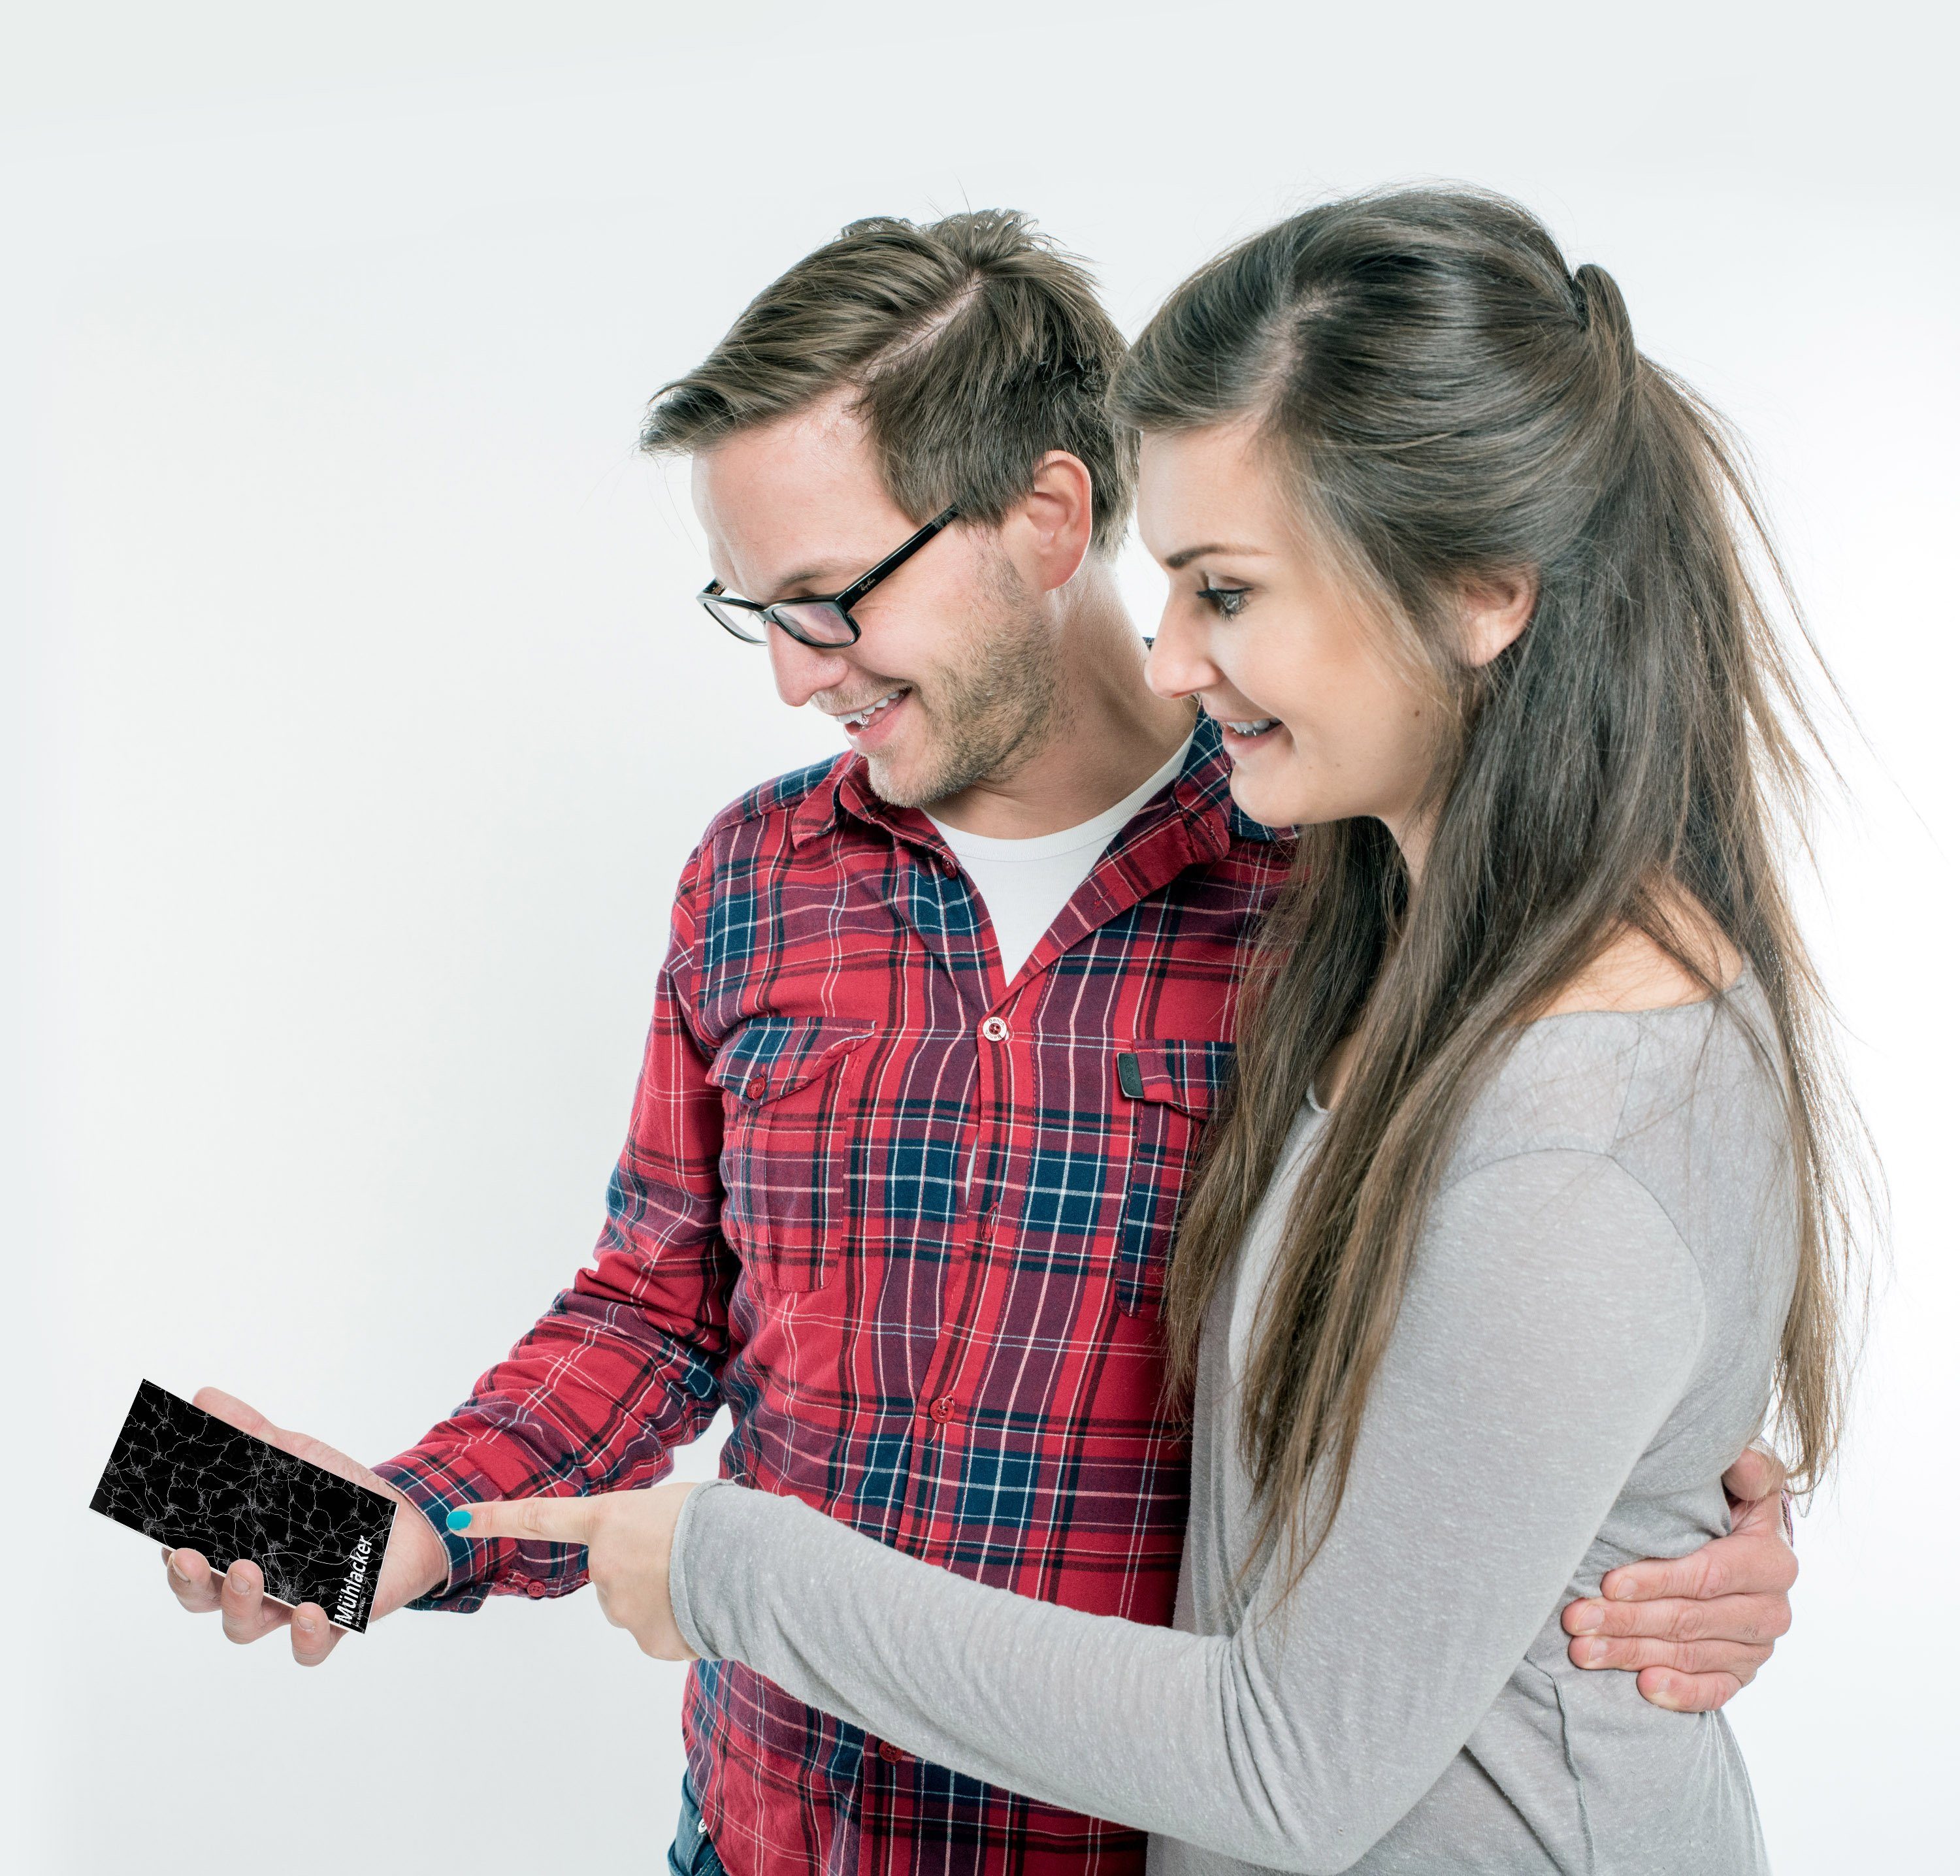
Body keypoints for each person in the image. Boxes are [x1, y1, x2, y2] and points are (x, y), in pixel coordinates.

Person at [162, 209, 1802, 1876]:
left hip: (1126, 1838)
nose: (799, 678)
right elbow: (656, 1307)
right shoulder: (756, 878)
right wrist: (412, 1523)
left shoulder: (1342, 880)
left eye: (830, 599)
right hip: (769, 1832)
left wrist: (1669, 1528)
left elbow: (1556, 1273)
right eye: (757, 613)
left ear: (1046, 518)